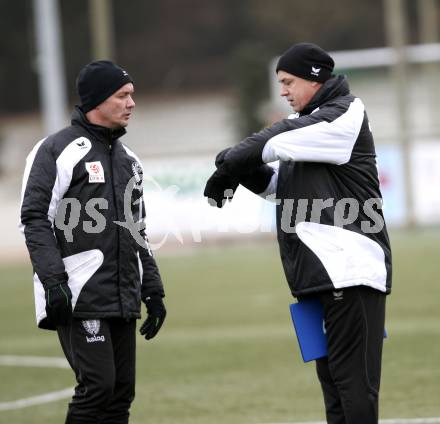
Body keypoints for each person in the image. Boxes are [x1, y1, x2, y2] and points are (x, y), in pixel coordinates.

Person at [204, 42, 392, 423]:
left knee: (355, 386)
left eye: (289, 81)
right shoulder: (312, 128)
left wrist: (228, 165)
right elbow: (278, 188)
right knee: (335, 387)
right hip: (317, 277)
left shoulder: (345, 113)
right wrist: (241, 172)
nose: (284, 91)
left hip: (348, 272)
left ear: (315, 78)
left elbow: (271, 141)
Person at [19, 60, 166, 424]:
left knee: (120, 395)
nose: (131, 103)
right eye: (123, 95)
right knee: (97, 388)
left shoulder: (129, 161)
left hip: (121, 293)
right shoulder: (57, 150)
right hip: (77, 291)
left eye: (132, 95)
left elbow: (136, 228)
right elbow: (34, 218)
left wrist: (153, 287)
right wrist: (54, 282)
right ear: (97, 100)